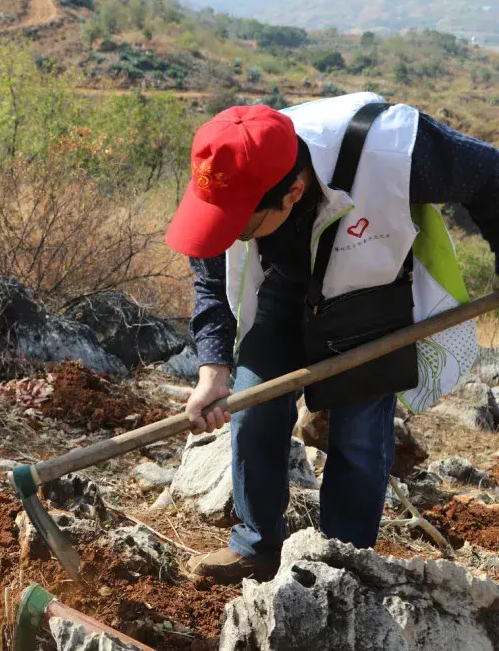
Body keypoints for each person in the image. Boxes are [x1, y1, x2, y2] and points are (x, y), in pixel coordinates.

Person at [165, 92, 499, 584]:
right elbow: (210, 277)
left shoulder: (397, 150)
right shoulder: (229, 170)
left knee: (360, 437)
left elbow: (491, 175)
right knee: (253, 413)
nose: (232, 234)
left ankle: (342, 567)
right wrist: (213, 366)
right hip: (280, 291)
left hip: (368, 298)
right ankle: (257, 546)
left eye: (244, 227)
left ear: (294, 191)